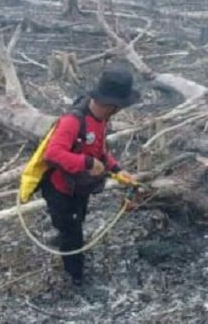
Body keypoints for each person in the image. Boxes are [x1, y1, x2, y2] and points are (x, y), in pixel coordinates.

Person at [41, 66, 140, 286]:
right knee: (73, 235)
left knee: (78, 220)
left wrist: (116, 170)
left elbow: (99, 151)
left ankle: (65, 235)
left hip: (79, 187)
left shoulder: (101, 119)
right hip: (61, 190)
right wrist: (86, 162)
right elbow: (53, 153)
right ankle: (76, 278)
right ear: (112, 104)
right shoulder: (73, 121)